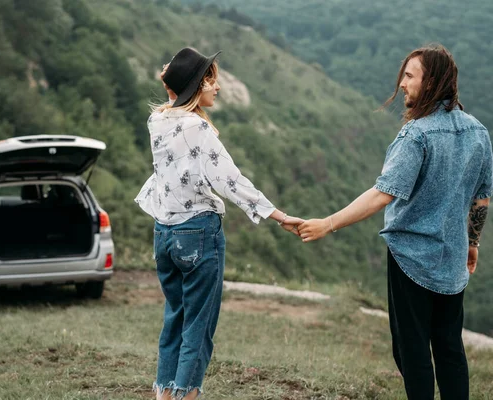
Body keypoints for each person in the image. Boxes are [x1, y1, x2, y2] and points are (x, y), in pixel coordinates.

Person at [297, 44, 492, 399]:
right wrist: (473, 243)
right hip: (453, 259)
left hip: (411, 259)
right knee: (449, 349)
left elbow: (382, 193)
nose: (402, 83)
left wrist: (328, 223)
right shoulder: (479, 132)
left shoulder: (417, 135)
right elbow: (482, 198)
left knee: (411, 350)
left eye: (409, 76)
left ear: (430, 81)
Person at [135, 47, 302, 400]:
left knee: (175, 320)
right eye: (210, 80)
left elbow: (172, 100)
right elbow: (231, 181)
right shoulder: (198, 129)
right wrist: (278, 215)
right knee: (199, 326)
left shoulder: (158, 121)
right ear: (196, 86)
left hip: (163, 234)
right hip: (198, 234)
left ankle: (164, 395)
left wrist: (174, 84)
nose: (217, 87)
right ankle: (187, 395)